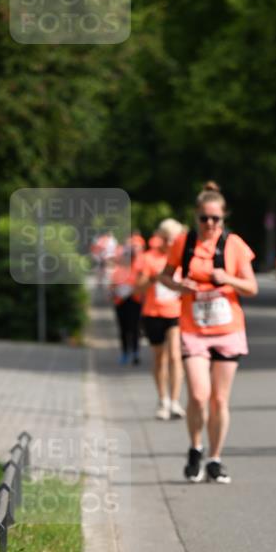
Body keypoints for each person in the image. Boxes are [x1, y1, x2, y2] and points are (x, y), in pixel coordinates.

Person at [158, 181, 258, 484]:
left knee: (219, 400)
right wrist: (179, 285)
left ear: (224, 218)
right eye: (204, 218)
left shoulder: (234, 245)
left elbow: (251, 287)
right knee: (199, 396)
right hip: (194, 329)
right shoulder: (183, 243)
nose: (210, 224)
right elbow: (163, 276)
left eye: (216, 219)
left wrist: (227, 277)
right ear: (195, 217)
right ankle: (195, 447)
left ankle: (215, 458)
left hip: (227, 329)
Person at [135, 219, 186, 420]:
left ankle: (174, 401)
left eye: (173, 239)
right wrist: (152, 278)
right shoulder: (148, 258)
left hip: (176, 312)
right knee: (160, 358)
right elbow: (137, 289)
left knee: (175, 355)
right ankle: (162, 398)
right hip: (153, 313)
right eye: (166, 239)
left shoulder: (182, 258)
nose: (169, 243)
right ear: (160, 238)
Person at [109, 247, 143, 365]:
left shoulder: (138, 270)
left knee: (134, 328)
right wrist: (115, 292)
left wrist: (133, 290)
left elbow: (143, 286)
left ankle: (135, 352)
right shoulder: (118, 271)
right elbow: (112, 287)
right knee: (123, 329)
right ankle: (125, 353)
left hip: (134, 302)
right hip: (121, 303)